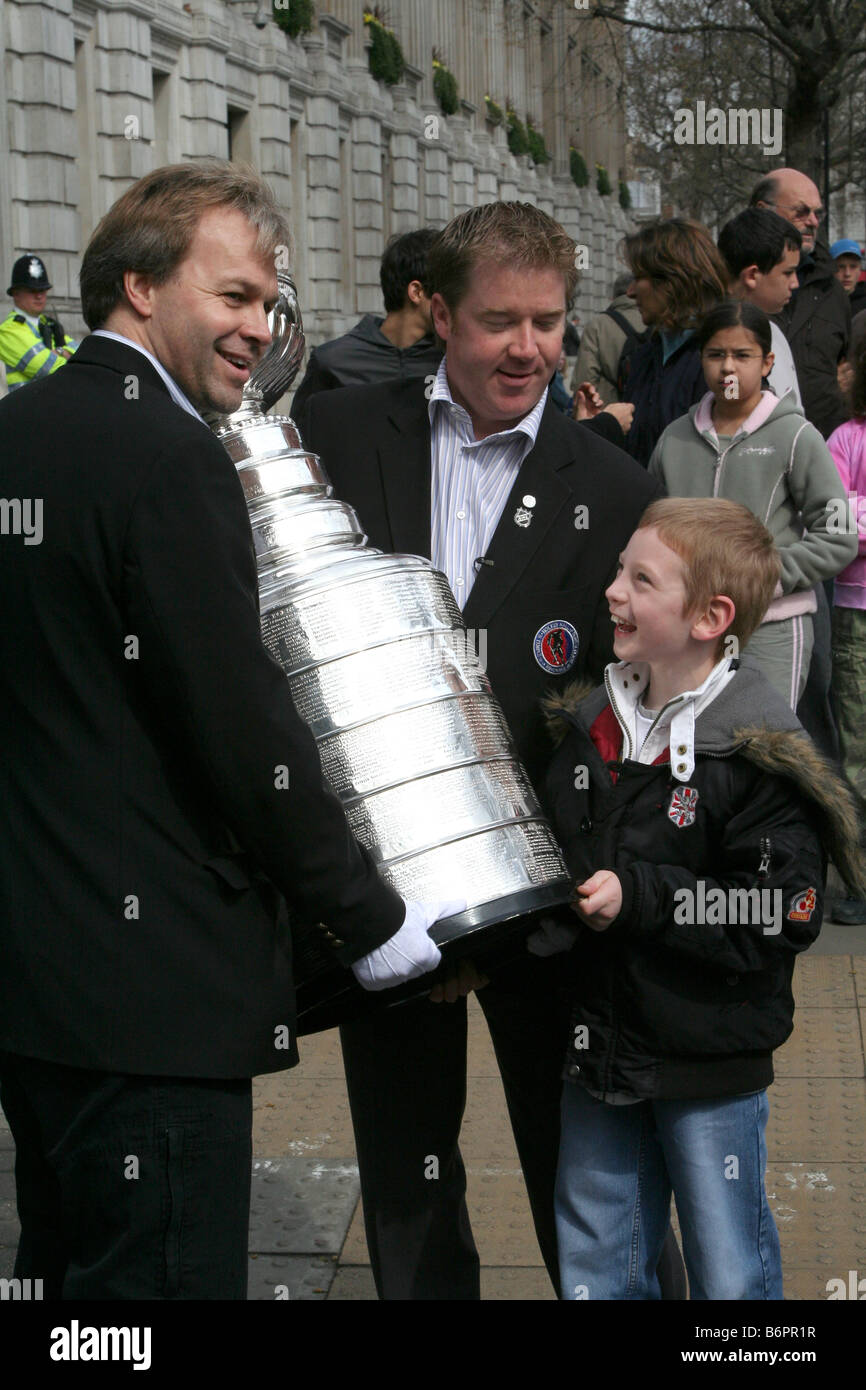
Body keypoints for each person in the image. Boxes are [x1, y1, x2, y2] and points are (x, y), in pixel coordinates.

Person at [0, 160, 456, 1300]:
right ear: (141, 287)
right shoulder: (167, 456)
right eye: (235, 295)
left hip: (35, 985)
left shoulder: (21, 428)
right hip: (152, 1002)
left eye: (270, 303)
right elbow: (239, 725)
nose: (260, 328)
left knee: (71, 1289)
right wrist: (365, 912)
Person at [299, 200, 672, 1301]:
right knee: (407, 1173)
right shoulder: (336, 435)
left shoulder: (614, 486)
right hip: (385, 892)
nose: (528, 348)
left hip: (551, 894)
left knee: (583, 1176)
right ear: (434, 313)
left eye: (548, 323)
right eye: (498, 320)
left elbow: (633, 697)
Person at [540, 496, 864, 1299]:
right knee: (598, 1255)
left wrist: (644, 898)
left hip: (708, 1060)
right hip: (600, 1045)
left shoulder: (755, 753)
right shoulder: (592, 724)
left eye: (640, 579)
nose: (612, 591)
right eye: (618, 570)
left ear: (710, 617)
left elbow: (779, 911)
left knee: (728, 1265)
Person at [648, 301, 856, 708]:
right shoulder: (674, 439)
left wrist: (766, 578)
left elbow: (838, 534)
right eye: (715, 354)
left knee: (760, 747)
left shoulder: (795, 435)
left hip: (771, 629)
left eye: (742, 355)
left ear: (767, 362)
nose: (728, 368)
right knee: (693, 749)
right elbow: (650, 530)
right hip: (689, 630)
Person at [290, 227, 443, 417]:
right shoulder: (333, 362)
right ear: (417, 292)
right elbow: (302, 436)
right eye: (448, 291)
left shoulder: (452, 362)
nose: (457, 302)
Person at [620, 218, 729, 467]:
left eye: (639, 278)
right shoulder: (644, 356)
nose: (630, 292)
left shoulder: (724, 361)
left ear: (672, 282)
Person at [751, 168, 851, 440]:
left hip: (824, 450)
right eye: (801, 211)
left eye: (817, 213)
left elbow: (846, 364)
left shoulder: (832, 289)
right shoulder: (727, 289)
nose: (813, 221)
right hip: (753, 452)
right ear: (763, 210)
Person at [827, 336, 866, 924]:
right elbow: (834, 521)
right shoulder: (845, 439)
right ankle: (860, 879)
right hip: (854, 612)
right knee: (857, 747)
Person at [717, 207, 803, 406]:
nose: (795, 283)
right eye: (788, 273)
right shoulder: (716, 341)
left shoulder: (772, 332)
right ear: (752, 275)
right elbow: (730, 420)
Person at [0, 254, 77, 389]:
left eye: (43, 290)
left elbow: (82, 354)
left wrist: (58, 351)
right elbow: (49, 369)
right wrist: (64, 352)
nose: (39, 295)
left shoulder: (48, 324)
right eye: (32, 290)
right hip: (23, 408)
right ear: (16, 293)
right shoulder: (7, 331)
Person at [571, 271, 646, 405]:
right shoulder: (655, 323)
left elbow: (585, 380)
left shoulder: (597, 325)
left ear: (614, 295)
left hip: (609, 414)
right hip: (647, 412)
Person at [830, 238, 866, 317]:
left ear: (860, 270)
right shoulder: (820, 302)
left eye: (853, 267)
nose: (847, 274)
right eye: (841, 267)